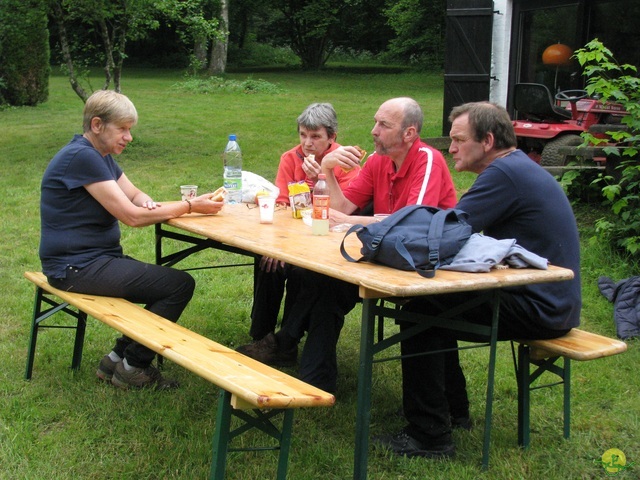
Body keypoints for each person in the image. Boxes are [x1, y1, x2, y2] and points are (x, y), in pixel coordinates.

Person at [373, 102, 582, 459]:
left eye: (458, 140)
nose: (450, 148)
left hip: (541, 306)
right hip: (546, 297)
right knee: (432, 306)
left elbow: (447, 229)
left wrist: (381, 234)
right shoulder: (512, 169)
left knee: (420, 311)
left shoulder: (505, 174)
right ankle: (452, 414)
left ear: (487, 141)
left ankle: (430, 437)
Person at [237, 97, 458, 393]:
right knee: (315, 278)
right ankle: (315, 380)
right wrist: (327, 171)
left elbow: (413, 222)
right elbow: (344, 205)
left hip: (421, 265)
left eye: (383, 124)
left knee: (320, 281)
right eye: (375, 122)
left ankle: (283, 344)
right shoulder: (378, 160)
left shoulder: (427, 159)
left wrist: (352, 219)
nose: (373, 131)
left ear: (409, 133)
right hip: (384, 253)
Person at [39, 90, 224, 390]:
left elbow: (135, 197)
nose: (129, 137)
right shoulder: (83, 157)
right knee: (177, 285)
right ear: (97, 125)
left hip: (89, 262)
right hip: (76, 267)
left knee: (161, 283)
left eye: (130, 130)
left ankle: (115, 359)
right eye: (122, 129)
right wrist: (190, 206)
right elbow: (132, 217)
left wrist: (149, 201)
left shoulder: (100, 157)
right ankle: (133, 367)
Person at [245, 103, 361, 364]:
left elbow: (339, 212)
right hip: (295, 234)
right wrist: (279, 247)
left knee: (299, 272)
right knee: (268, 262)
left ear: (332, 137)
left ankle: (285, 343)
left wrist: (317, 177)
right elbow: (283, 205)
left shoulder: (345, 161)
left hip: (329, 241)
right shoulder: (290, 158)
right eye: (302, 135)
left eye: (316, 136)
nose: (307, 143)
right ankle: (261, 336)